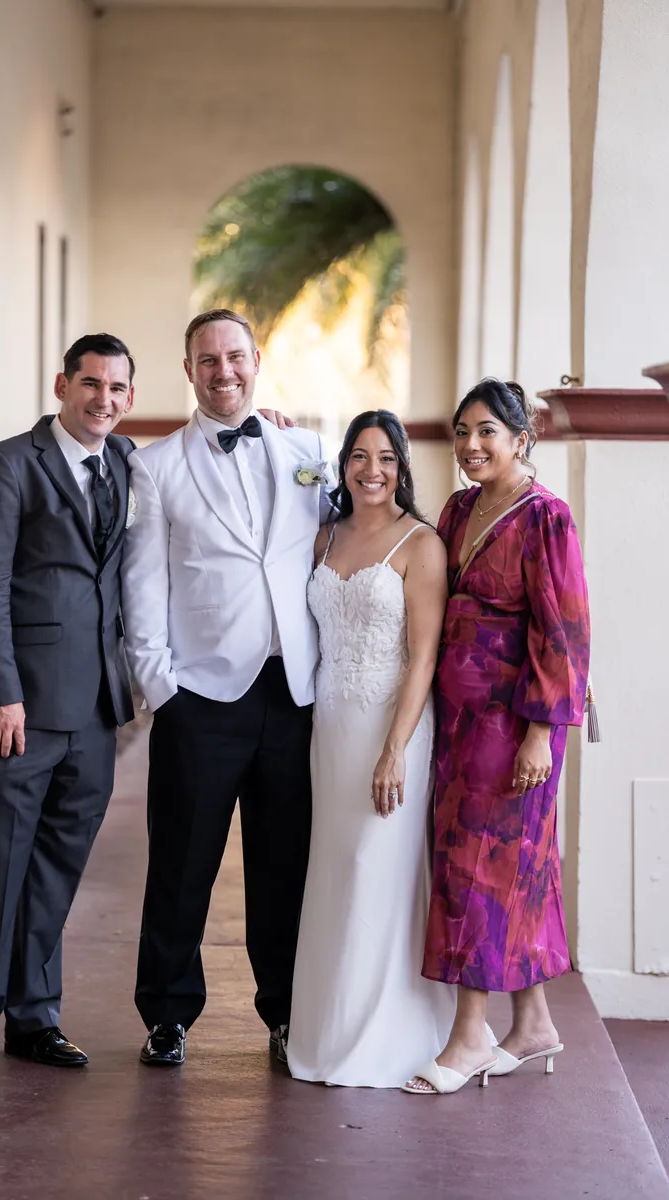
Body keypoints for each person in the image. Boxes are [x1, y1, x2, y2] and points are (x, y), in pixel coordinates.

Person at [121, 309, 334, 1068]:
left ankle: (284, 1012)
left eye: (235, 356)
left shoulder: (310, 450)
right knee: (182, 866)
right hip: (201, 699)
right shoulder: (155, 466)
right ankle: (168, 1015)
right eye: (207, 360)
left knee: (285, 866)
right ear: (188, 370)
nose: (224, 372)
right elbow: (141, 585)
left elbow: (351, 529)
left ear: (256, 359)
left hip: (294, 697)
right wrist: (162, 688)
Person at [0, 333, 137, 1072]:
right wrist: (0, 692)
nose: (101, 400)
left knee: (55, 868)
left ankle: (35, 1017)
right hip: (17, 708)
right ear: (61, 385)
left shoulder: (128, 464)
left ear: (130, 398)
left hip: (96, 708)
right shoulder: (8, 464)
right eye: (89, 384)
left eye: (115, 389)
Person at [404, 378, 591, 1096]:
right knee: (517, 870)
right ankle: (534, 1023)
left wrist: (540, 733)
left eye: (487, 432)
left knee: (474, 869)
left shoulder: (547, 517)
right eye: (462, 432)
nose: (471, 445)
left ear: (522, 439)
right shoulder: (457, 507)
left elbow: (564, 631)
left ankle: (468, 1037)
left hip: (514, 723)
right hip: (457, 719)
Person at [286, 410, 456, 1088]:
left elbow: (422, 660)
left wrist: (395, 751)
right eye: (359, 455)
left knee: (374, 869)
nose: (371, 470)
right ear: (343, 463)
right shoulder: (323, 536)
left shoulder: (422, 544)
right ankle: (325, 1033)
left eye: (385, 457)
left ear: (402, 466)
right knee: (332, 871)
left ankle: (388, 1035)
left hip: (393, 725)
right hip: (330, 728)